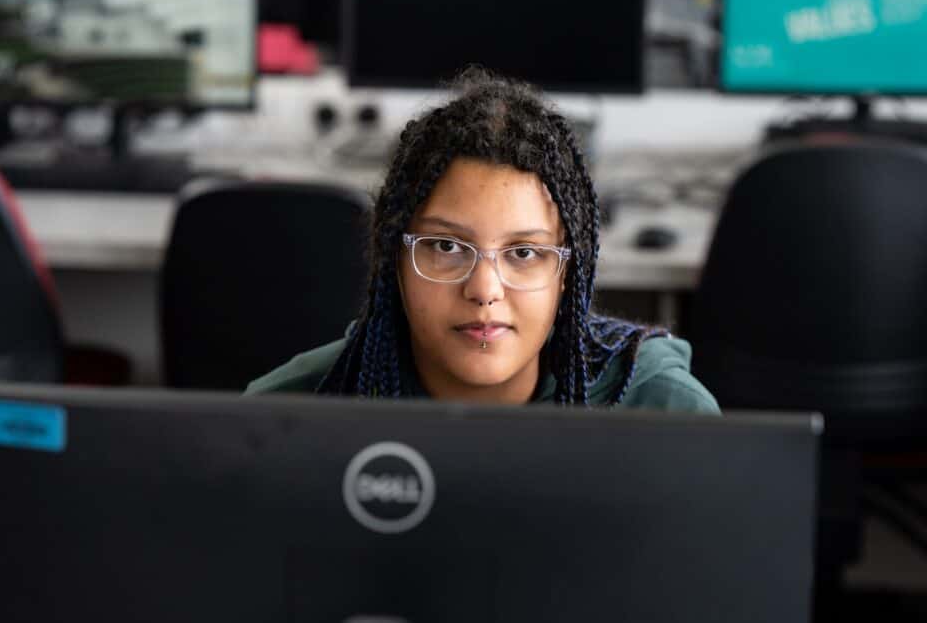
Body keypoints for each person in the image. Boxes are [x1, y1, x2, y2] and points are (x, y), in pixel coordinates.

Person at [246, 70, 718, 412]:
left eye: (524, 253)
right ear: (396, 258)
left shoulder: (662, 411)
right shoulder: (293, 412)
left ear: (566, 275)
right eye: (447, 247)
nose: (485, 290)